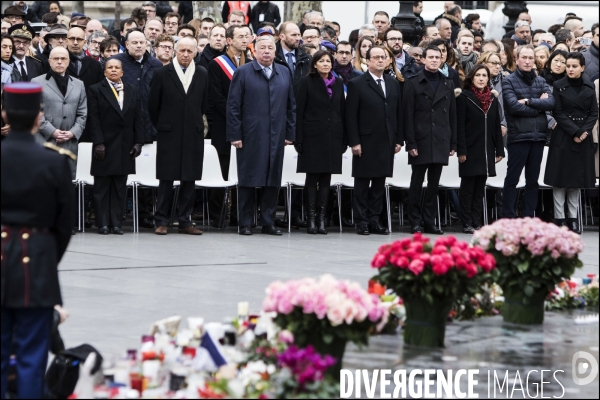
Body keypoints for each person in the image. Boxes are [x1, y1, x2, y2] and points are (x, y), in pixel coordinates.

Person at [1, 82, 73, 399]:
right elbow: (64, 224)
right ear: (37, 118)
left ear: (4, 114)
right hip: (38, 259)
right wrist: (47, 258)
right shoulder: (54, 161)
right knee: (32, 353)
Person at [226, 35, 295, 236]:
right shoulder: (243, 72)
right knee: (248, 179)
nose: (266, 51)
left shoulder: (284, 72)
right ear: (254, 51)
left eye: (270, 48)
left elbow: (292, 106)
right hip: (250, 135)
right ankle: (245, 222)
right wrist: (235, 134)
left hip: (277, 135)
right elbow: (233, 106)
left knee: (273, 179)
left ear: (275, 51)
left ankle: (268, 222)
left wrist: (289, 133)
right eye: (262, 48)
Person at [148, 36, 207, 235]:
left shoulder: (201, 73)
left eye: (189, 51)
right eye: (181, 50)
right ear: (175, 51)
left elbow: (204, 104)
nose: (185, 54)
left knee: (189, 178)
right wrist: (164, 125)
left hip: (193, 133)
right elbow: (153, 106)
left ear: (195, 53)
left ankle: (185, 221)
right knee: (166, 179)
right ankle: (162, 220)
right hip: (168, 133)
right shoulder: (162, 73)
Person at [346, 46, 403, 235]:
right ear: (367, 61)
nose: (380, 60)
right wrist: (354, 141)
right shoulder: (357, 83)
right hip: (365, 140)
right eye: (376, 57)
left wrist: (398, 139)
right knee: (362, 184)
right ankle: (361, 221)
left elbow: (397, 114)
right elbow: (351, 116)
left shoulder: (393, 83)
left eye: (383, 57)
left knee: (379, 183)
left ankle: (374, 220)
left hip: (386, 139)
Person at [404, 45, 457, 235]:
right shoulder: (412, 82)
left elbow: (452, 115)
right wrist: (411, 143)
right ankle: (415, 221)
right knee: (416, 183)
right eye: (431, 57)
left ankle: (429, 220)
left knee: (434, 184)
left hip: (441, 140)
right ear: (423, 59)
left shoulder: (447, 82)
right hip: (421, 139)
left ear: (442, 59)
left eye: (438, 57)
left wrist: (453, 143)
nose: (434, 60)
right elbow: (407, 115)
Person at [88, 59, 144, 235]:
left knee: (120, 187)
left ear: (122, 72)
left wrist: (138, 142)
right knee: (102, 187)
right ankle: (103, 223)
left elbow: (138, 116)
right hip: (104, 145)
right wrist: (98, 143)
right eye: (109, 67)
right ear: (104, 72)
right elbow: (93, 118)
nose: (113, 70)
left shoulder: (132, 89)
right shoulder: (96, 89)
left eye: (116, 68)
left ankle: (117, 223)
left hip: (125, 145)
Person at [544, 53, 598, 234]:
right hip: (563, 137)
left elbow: (593, 113)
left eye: (574, 66)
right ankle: (560, 219)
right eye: (568, 66)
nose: (570, 69)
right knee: (560, 180)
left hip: (583, 136)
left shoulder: (589, 85)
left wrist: (584, 132)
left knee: (576, 180)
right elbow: (557, 112)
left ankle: (573, 219)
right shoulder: (559, 86)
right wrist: (575, 131)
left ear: (582, 67)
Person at [294, 50, 345, 235]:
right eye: (321, 61)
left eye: (328, 61)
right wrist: (297, 138)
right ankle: (311, 218)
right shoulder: (306, 82)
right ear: (314, 64)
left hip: (333, 136)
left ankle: (322, 219)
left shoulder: (338, 83)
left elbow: (342, 111)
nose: (325, 64)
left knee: (326, 178)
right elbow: (299, 112)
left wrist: (344, 138)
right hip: (312, 136)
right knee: (312, 177)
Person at [501, 45, 555, 218]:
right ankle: (508, 216)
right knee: (512, 179)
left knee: (533, 181)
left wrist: (528, 101)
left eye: (530, 58)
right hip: (518, 137)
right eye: (523, 57)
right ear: (516, 59)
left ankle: (528, 216)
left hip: (538, 137)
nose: (527, 61)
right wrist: (538, 106)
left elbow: (551, 103)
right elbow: (512, 106)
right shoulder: (508, 80)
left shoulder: (540, 81)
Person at [206, 25, 248, 225]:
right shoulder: (217, 64)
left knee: (242, 170)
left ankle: (238, 214)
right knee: (221, 169)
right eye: (240, 36)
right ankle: (217, 216)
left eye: (247, 36)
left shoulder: (250, 62)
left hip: (247, 127)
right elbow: (216, 97)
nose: (244, 39)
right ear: (229, 40)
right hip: (223, 125)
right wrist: (237, 115)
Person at [457, 65, 505, 233]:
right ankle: (466, 221)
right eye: (478, 75)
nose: (481, 78)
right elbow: (460, 126)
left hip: (486, 150)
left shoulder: (492, 99)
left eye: (484, 75)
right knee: (467, 189)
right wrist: (461, 150)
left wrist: (500, 150)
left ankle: (476, 221)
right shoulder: (464, 97)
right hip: (470, 149)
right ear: (472, 77)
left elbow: (496, 126)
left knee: (480, 189)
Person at [111, 29, 162, 144]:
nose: (139, 46)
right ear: (127, 45)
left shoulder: (156, 65)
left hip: (149, 125)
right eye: (135, 43)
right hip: (123, 126)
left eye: (142, 42)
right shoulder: (115, 63)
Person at [476, 51, 508, 142]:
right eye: (493, 63)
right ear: (483, 63)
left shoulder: (506, 81)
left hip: (504, 128)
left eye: (499, 63)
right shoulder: (475, 82)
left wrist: (504, 124)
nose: (497, 66)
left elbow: (510, 105)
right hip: (482, 129)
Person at [275, 22, 311, 91]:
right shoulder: (272, 57)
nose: (298, 38)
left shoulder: (307, 58)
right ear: (282, 36)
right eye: (294, 35)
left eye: (299, 35)